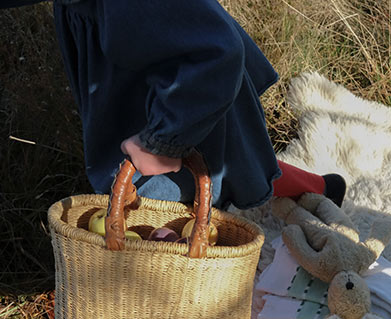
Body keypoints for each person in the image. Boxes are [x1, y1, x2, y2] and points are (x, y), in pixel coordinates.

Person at [6, 0, 346, 208]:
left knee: (176, 193)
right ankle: (322, 188)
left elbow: (218, 53)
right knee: (235, 164)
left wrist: (161, 142)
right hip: (160, 85)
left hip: (185, 98)